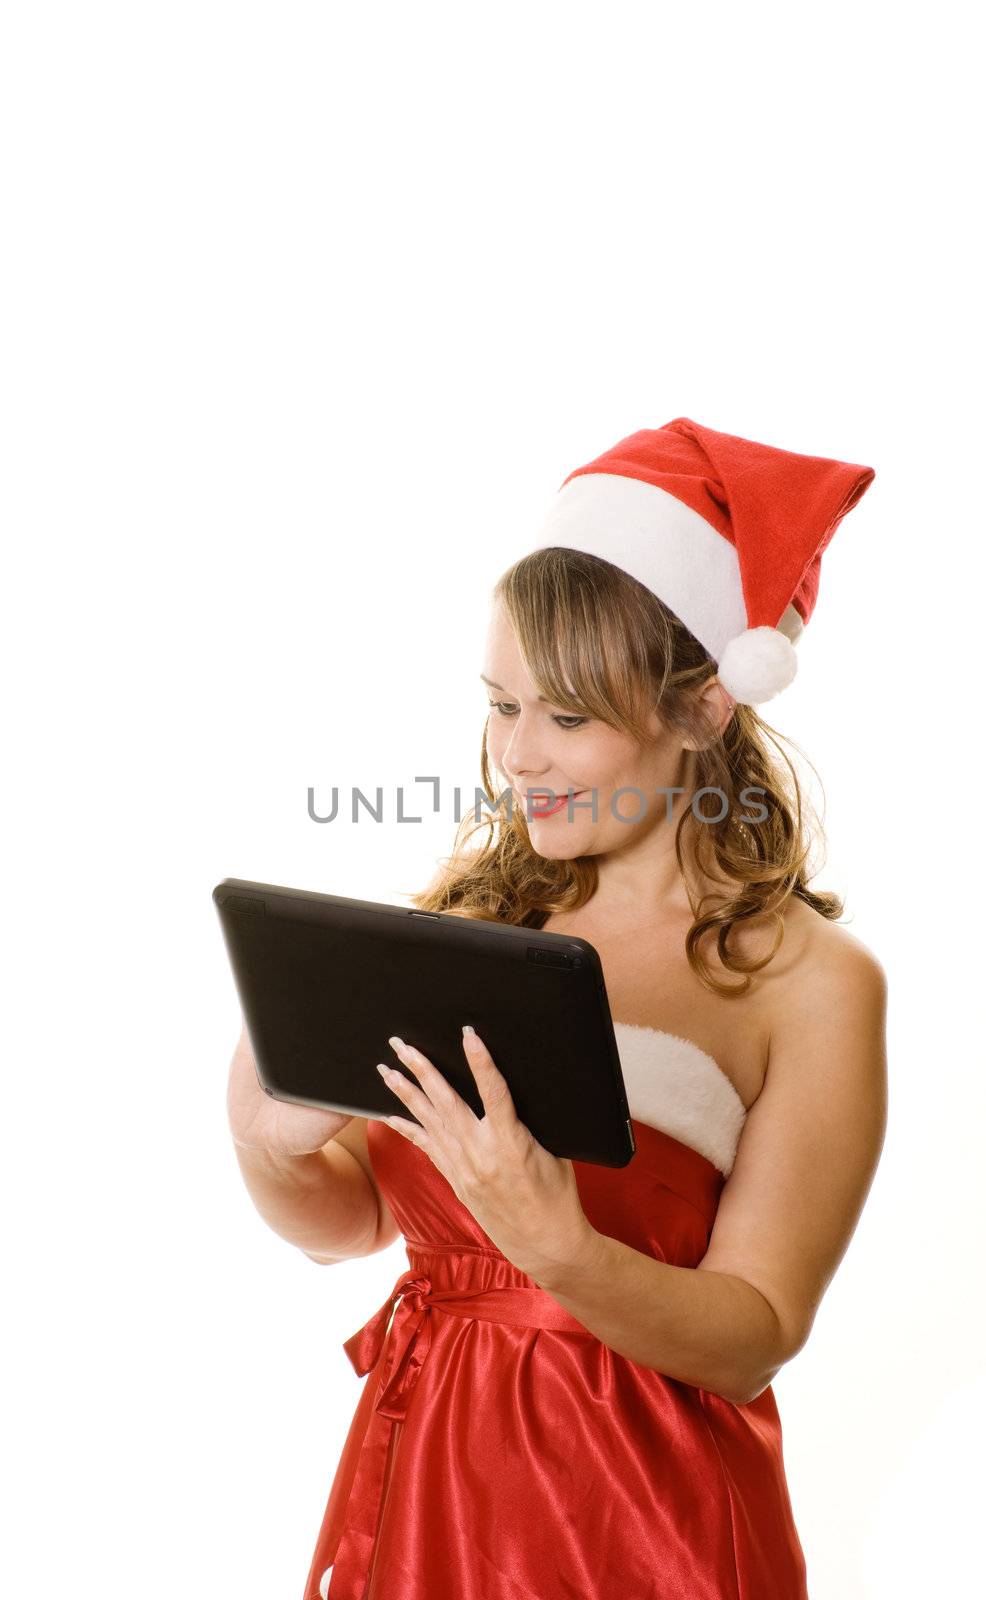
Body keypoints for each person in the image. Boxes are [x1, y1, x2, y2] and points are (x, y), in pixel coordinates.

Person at [228, 417, 889, 1599]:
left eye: (566, 718)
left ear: (703, 711)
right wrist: (266, 1146)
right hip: (426, 1489)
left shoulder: (811, 983)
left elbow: (752, 1334)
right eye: (499, 704)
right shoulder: (469, 923)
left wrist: (557, 1247)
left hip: (642, 1522)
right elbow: (364, 1221)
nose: (515, 756)